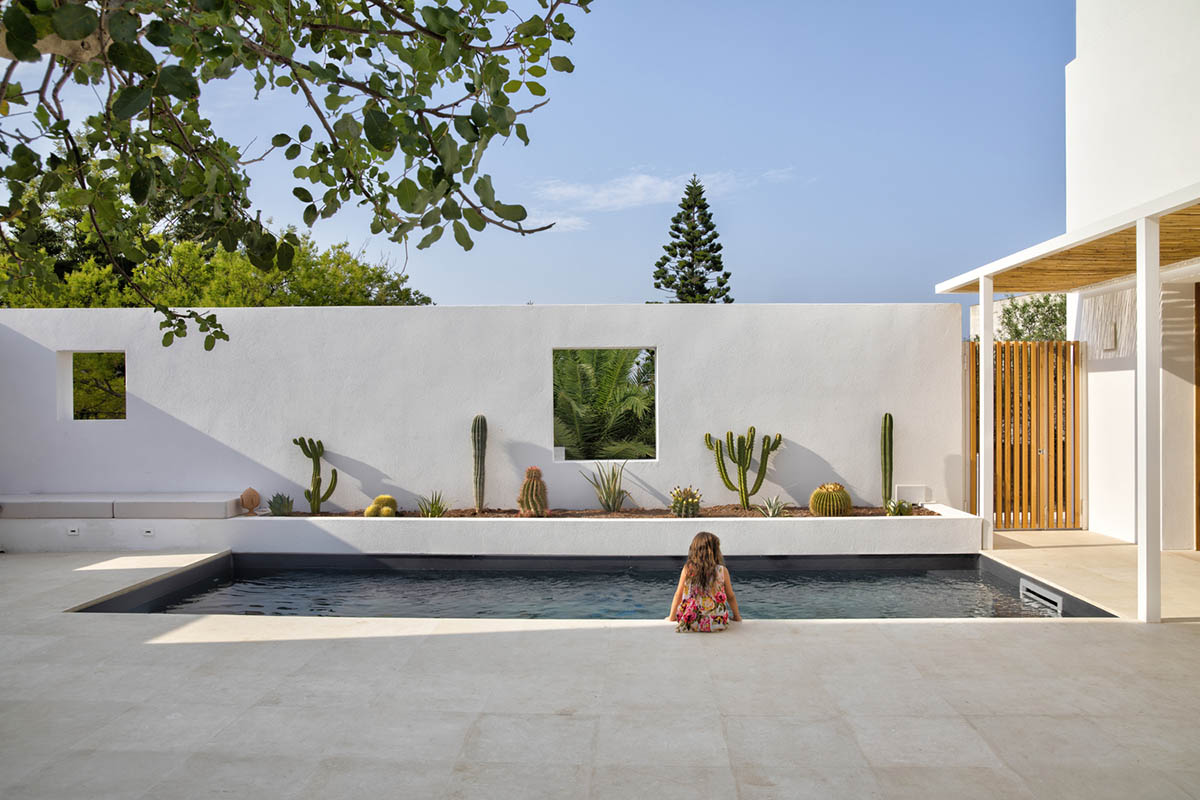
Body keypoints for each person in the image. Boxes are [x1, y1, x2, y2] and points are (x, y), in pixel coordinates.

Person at [667, 531, 742, 632]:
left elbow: (678, 595)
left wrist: (671, 617)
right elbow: (730, 596)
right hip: (717, 623)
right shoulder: (722, 570)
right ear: (715, 551)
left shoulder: (688, 569)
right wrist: (737, 617)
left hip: (690, 623)